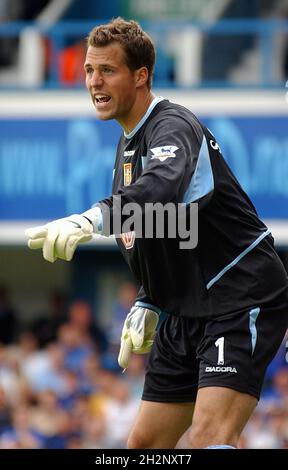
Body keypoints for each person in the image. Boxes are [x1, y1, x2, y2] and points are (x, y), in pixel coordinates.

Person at [25, 17, 288, 449]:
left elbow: (158, 191)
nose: (94, 81)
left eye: (107, 70)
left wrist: (92, 218)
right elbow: (155, 229)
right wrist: (148, 298)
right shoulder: (128, 142)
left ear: (141, 75)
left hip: (241, 295)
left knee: (211, 436)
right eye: (89, 71)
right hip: (183, 312)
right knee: (142, 447)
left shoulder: (173, 126)